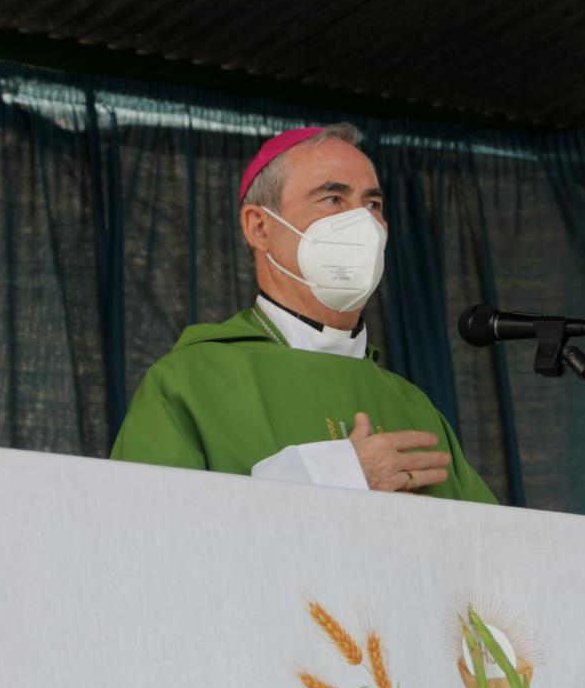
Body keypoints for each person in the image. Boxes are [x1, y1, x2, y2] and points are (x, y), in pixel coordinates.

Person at [110, 123, 495, 503]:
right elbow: (143, 524)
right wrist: (333, 476)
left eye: (372, 205)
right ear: (259, 227)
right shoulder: (191, 384)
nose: (363, 223)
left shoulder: (414, 407)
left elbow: (491, 538)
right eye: (333, 199)